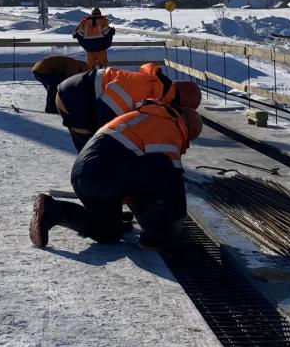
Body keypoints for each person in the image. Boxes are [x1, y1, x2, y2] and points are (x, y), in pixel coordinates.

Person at [31, 98, 202, 252]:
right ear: (187, 129)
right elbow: (172, 181)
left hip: (83, 175)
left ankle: (54, 210)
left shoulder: (147, 117)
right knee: (165, 168)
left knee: (108, 233)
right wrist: (176, 223)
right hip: (103, 175)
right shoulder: (170, 128)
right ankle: (156, 239)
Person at [54, 62, 201, 150]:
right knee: (97, 151)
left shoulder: (156, 88)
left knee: (94, 154)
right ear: (177, 104)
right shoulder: (145, 89)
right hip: (75, 97)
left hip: (76, 94)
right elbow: (106, 114)